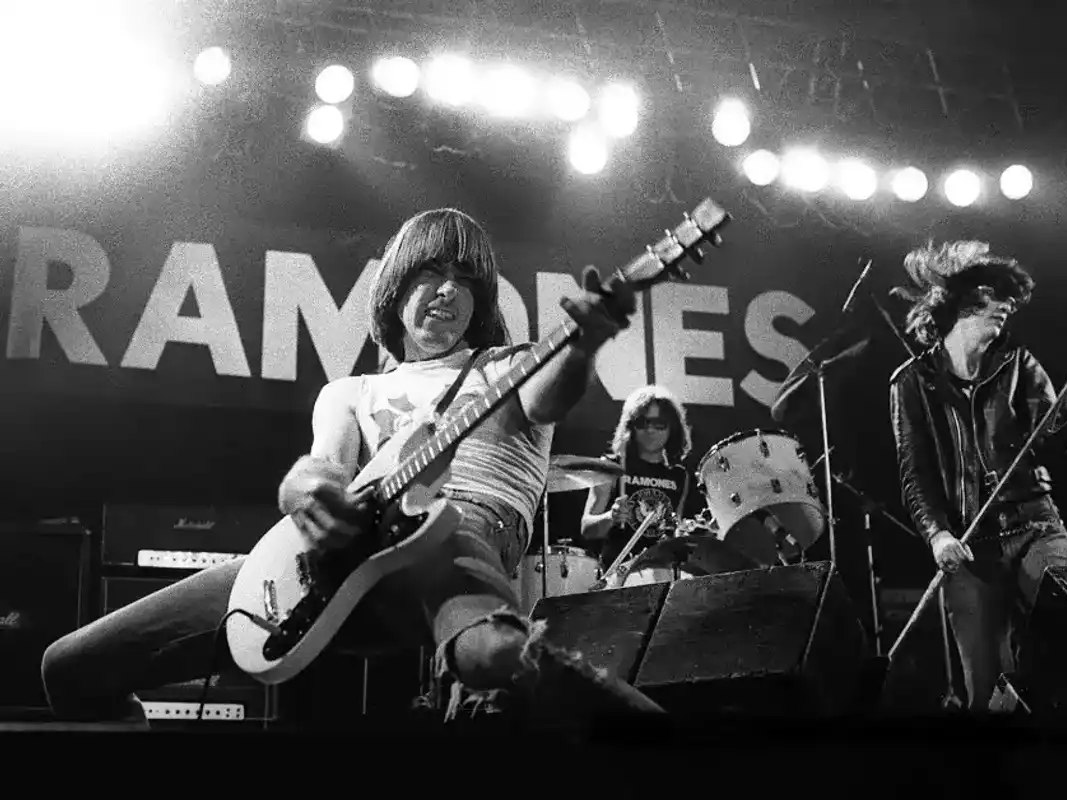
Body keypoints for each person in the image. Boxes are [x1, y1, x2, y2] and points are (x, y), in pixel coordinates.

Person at [41, 208, 664, 729]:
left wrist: (584, 343)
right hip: (338, 571)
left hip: (459, 531)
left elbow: (549, 396)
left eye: (464, 278)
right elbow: (320, 469)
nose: (448, 289)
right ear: (396, 286)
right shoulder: (349, 391)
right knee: (71, 668)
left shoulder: (507, 366)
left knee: (490, 654)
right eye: (430, 271)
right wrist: (306, 492)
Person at [887, 240, 1067, 711]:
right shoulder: (912, 382)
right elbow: (915, 475)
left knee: (1066, 642)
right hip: (970, 547)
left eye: (1009, 301)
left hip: (1037, 525)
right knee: (984, 689)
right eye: (993, 298)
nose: (1005, 308)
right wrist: (937, 536)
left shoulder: (1017, 363)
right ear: (959, 305)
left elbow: (1054, 432)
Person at [580, 385, 692, 582]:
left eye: (659, 424)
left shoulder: (679, 476)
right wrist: (610, 517)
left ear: (672, 428)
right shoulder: (612, 467)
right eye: (643, 422)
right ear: (631, 425)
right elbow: (587, 529)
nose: (650, 430)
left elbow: (675, 531)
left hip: (661, 573)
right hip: (618, 573)